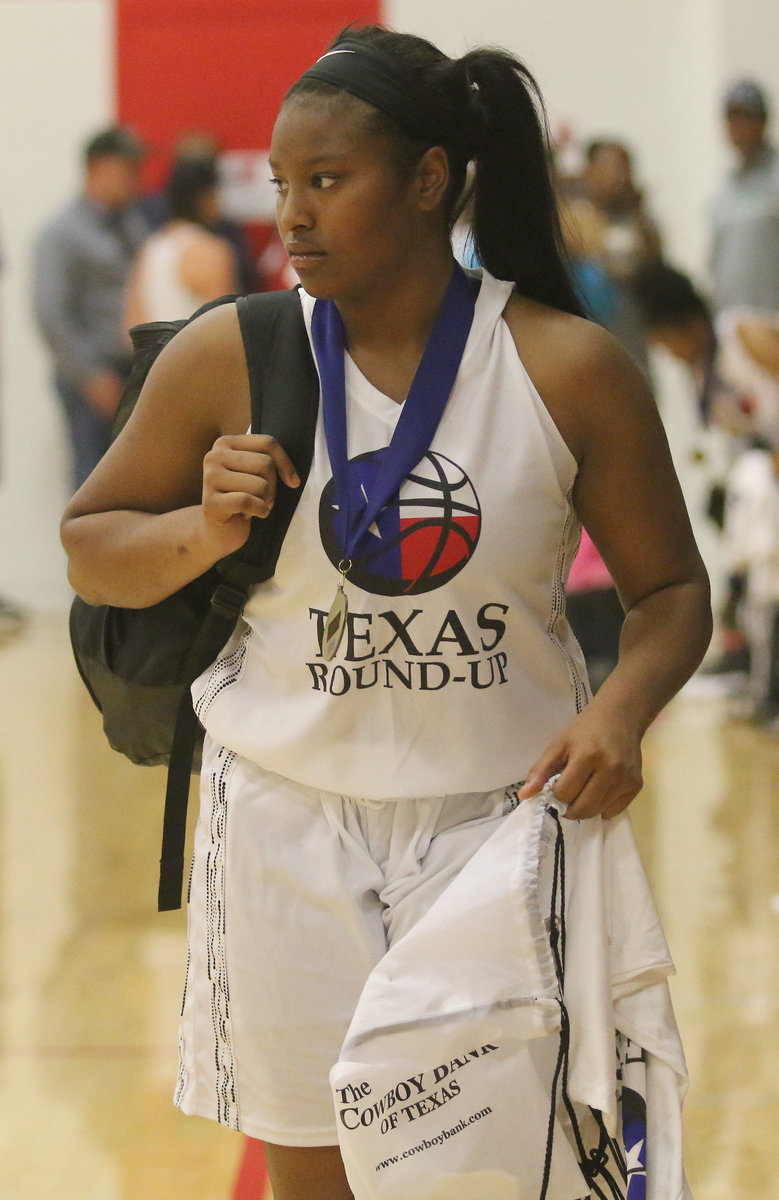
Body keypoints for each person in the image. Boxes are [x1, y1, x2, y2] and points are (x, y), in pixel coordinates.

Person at [61, 25, 711, 1200]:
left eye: (326, 180)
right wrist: (199, 533)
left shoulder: (566, 366)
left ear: (425, 181)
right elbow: (90, 549)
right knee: (312, 1177)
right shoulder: (231, 352)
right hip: (282, 823)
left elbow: (670, 592)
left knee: (499, 1174)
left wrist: (619, 713)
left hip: (499, 828)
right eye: (280, 185)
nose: (291, 214)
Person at [631, 260, 779, 717]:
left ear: (684, 324)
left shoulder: (744, 335)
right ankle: (752, 666)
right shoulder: (700, 371)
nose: (664, 351)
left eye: (663, 338)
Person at [33, 126, 147, 491]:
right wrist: (90, 376)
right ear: (97, 169)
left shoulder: (133, 224)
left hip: (130, 373)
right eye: (126, 170)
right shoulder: (61, 233)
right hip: (91, 378)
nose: (135, 179)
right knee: (92, 485)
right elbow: (51, 313)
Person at [125, 157, 239, 326]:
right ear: (205, 198)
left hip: (154, 351)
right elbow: (227, 327)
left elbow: (130, 326)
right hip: (198, 351)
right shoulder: (211, 251)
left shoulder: (149, 248)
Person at [709, 79, 779, 313]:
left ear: (763, 121)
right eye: (732, 120)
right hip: (732, 319)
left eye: (747, 119)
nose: (739, 128)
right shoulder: (725, 187)